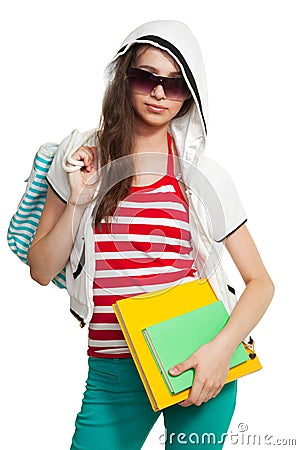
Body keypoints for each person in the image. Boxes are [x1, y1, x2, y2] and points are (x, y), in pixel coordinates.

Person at [27, 20, 274, 450]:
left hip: (198, 361)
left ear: (190, 96)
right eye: (147, 78)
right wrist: (82, 198)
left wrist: (219, 352)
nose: (160, 93)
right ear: (125, 79)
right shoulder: (78, 158)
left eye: (176, 85)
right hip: (113, 373)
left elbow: (261, 283)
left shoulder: (205, 177)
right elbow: (42, 270)